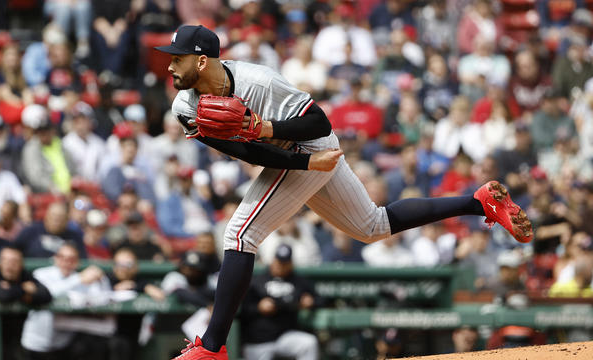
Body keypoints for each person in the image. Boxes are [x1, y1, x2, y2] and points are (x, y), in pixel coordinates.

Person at [156, 25, 532, 359]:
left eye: (178, 59)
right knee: (372, 226)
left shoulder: (259, 81)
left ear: (202, 61)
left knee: (240, 234)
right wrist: (300, 163)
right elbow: (243, 150)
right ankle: (478, 201)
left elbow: (319, 122)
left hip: (314, 144)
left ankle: (211, 347)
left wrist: (268, 130)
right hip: (297, 159)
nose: (170, 66)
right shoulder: (184, 106)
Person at [20, 242, 110, 359]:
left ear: (77, 262)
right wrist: (79, 278)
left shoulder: (82, 279)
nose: (67, 262)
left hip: (63, 345)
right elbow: (48, 293)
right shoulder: (42, 274)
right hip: (36, 343)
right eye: (62, 257)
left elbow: (103, 298)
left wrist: (101, 279)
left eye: (71, 259)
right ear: (56, 258)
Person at [241, 244, 319, 360]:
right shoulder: (257, 281)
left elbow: (320, 299)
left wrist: (310, 302)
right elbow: (242, 308)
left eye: (284, 263)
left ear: (291, 264)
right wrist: (258, 307)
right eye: (278, 262)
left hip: (284, 337)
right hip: (258, 340)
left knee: (309, 343)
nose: (280, 266)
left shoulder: (298, 281)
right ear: (273, 260)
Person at [0, 246, 52, 360]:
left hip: (20, 337)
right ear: (0, 263)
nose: (9, 265)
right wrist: (24, 290)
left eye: (14, 261)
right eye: (5, 260)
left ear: (21, 265)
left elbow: (46, 295)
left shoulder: (25, 276)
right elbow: (3, 295)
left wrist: (13, 290)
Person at [108, 248, 165, 360]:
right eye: (119, 264)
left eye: (128, 264)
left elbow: (159, 295)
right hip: (104, 336)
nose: (123, 268)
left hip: (133, 336)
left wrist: (134, 286)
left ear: (135, 267)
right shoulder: (107, 280)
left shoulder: (139, 281)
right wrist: (115, 289)